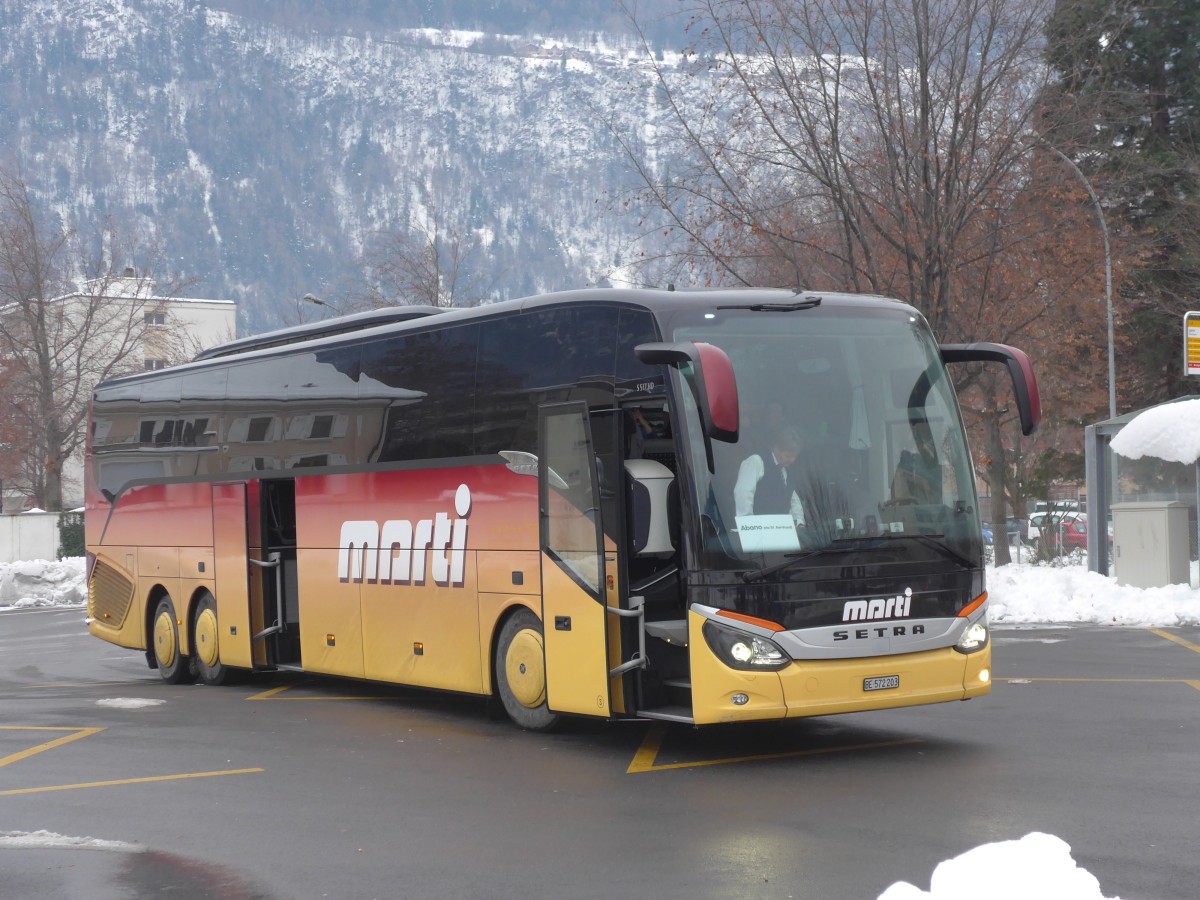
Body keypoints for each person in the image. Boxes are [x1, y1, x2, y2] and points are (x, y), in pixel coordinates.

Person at [733, 426, 806, 526]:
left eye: (795, 457)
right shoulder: (756, 461)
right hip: (759, 531)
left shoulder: (788, 471)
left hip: (781, 531)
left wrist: (799, 522)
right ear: (776, 449)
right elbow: (744, 494)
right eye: (788, 455)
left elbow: (793, 500)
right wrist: (749, 526)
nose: (792, 460)